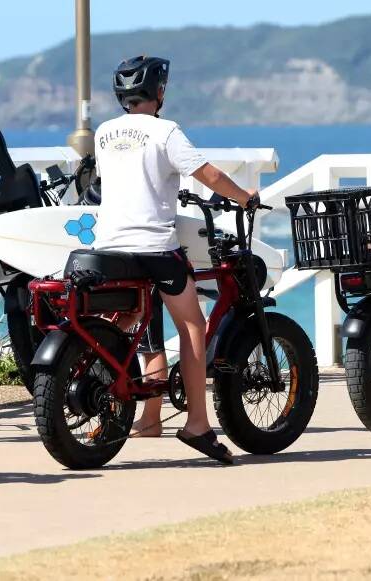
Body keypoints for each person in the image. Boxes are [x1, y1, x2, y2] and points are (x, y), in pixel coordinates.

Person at [92, 55, 256, 464]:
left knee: (126, 320)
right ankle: (198, 423)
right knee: (193, 325)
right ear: (159, 92)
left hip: (109, 246)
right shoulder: (167, 131)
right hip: (153, 248)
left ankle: (123, 405)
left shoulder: (104, 132)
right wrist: (246, 198)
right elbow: (209, 176)